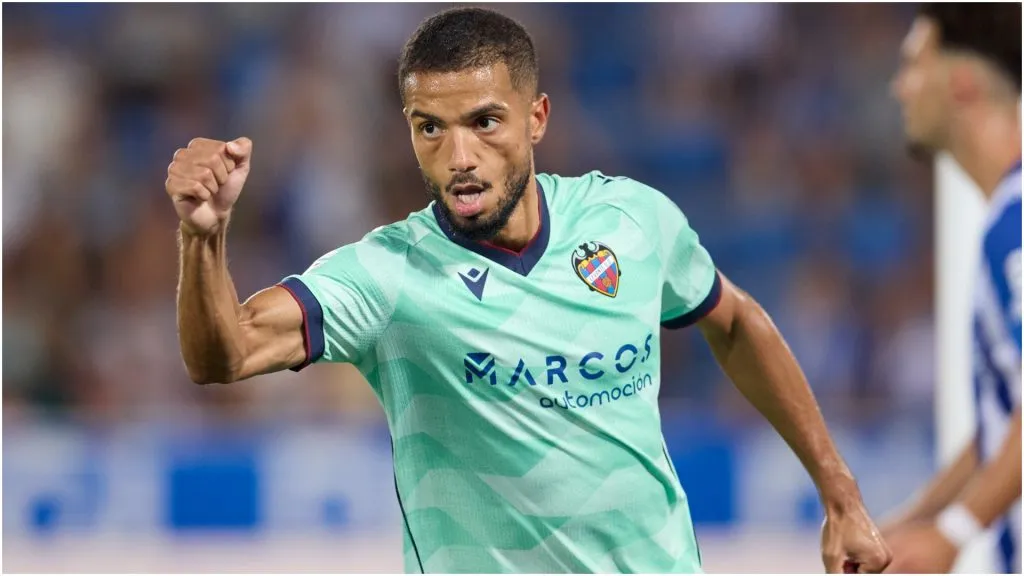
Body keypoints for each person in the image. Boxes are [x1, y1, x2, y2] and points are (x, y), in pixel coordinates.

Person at [165, 7, 890, 573]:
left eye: (485, 123)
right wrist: (204, 237)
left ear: (537, 117)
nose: (460, 157)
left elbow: (733, 322)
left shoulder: (631, 222)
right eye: (430, 129)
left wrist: (840, 493)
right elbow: (220, 355)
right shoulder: (387, 277)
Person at [885, 3, 1022, 573]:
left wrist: (955, 533)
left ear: (961, 82)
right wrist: (914, 521)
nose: (898, 89)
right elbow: (1007, 419)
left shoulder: (1015, 225)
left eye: (914, 64)